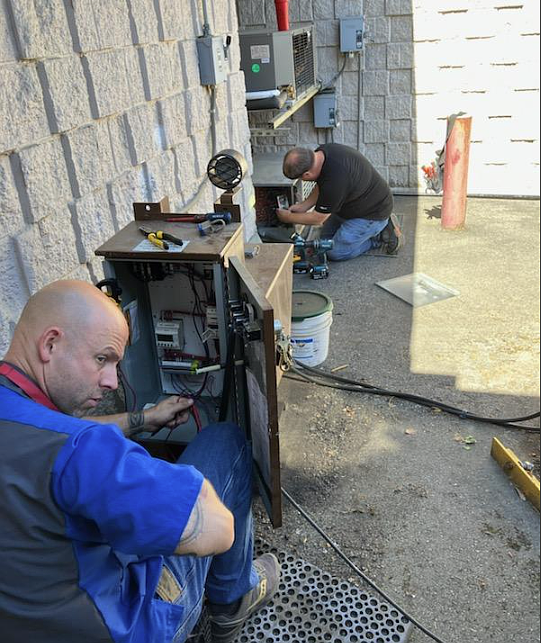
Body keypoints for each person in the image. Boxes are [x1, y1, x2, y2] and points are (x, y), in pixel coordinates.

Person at [0, 280, 280, 643]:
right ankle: (232, 602)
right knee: (224, 441)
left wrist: (142, 420)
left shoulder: (28, 420)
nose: (112, 382)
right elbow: (218, 530)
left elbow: (48, 427)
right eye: (102, 359)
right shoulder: (84, 451)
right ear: (50, 344)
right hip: (127, 628)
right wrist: (164, 484)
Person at [277, 144, 403, 261]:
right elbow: (321, 185)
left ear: (307, 174)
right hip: (353, 205)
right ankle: (375, 229)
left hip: (372, 213)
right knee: (324, 242)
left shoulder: (335, 180)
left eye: (301, 178)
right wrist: (303, 206)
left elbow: (318, 218)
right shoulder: (322, 153)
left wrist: (288, 218)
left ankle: (379, 237)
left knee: (333, 252)